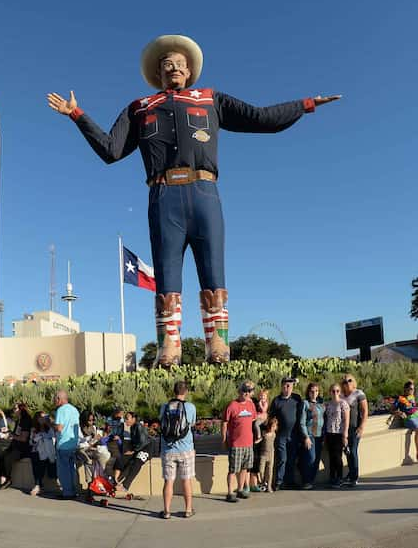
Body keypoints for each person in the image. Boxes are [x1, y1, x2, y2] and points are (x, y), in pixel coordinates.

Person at [47, 35, 339, 367]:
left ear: (190, 71)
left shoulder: (211, 98)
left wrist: (304, 104)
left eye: (180, 63)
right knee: (167, 273)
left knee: (213, 269)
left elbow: (261, 119)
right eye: (167, 63)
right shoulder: (139, 107)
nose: (174, 67)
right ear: (158, 72)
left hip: (205, 192)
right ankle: (168, 345)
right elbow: (111, 150)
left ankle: (218, 342)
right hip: (162, 195)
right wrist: (77, 114)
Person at [159, 380, 197, 519]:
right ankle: (187, 510)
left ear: (174, 391)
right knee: (186, 480)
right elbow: (191, 424)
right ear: (185, 392)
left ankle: (167, 511)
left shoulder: (164, 407)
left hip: (168, 450)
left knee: (168, 481)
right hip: (186, 449)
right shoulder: (190, 407)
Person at [221, 381, 256, 502]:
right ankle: (230, 492)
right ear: (239, 391)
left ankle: (240, 489)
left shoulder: (251, 405)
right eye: (244, 390)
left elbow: (253, 420)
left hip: (248, 443)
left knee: (244, 468)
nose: (246, 393)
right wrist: (224, 439)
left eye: (249, 391)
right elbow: (224, 423)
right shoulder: (232, 405)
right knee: (233, 469)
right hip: (236, 443)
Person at [269, 377, 304, 490]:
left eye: (290, 385)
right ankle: (279, 482)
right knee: (282, 459)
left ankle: (290, 481)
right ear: (282, 386)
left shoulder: (297, 398)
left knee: (292, 459)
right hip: (281, 435)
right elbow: (272, 417)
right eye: (285, 385)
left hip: (294, 435)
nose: (287, 388)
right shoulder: (276, 401)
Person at [112, 412, 152, 495]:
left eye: (127, 418)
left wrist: (133, 451)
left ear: (133, 419)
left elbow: (143, 442)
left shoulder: (138, 426)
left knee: (137, 462)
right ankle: (116, 480)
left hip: (146, 449)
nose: (125, 420)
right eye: (125, 418)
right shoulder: (132, 427)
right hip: (137, 448)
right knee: (122, 458)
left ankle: (125, 485)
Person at [0, 403, 33, 490]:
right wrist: (9, 432)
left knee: (8, 458)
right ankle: (3, 478)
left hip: (23, 448)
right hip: (16, 445)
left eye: (15, 409)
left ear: (21, 410)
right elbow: (16, 434)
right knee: (1, 455)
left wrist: (11, 435)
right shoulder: (19, 420)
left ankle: (8, 479)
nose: (14, 411)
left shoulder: (26, 420)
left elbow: (24, 438)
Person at [341, 374, 368, 487]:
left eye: (349, 380)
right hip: (343, 429)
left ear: (353, 381)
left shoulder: (358, 393)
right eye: (344, 381)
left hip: (355, 428)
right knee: (347, 451)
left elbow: (365, 411)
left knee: (352, 450)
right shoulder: (341, 395)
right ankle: (351, 473)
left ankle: (354, 477)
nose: (347, 383)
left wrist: (361, 426)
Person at [53, 390, 80, 499]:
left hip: (63, 444)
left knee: (63, 470)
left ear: (59, 399)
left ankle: (67, 492)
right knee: (71, 469)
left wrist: (50, 423)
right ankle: (73, 491)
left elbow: (59, 428)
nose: (55, 401)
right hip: (73, 444)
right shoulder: (74, 409)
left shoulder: (61, 410)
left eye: (55, 398)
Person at [323, 383, 350, 488]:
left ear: (340, 392)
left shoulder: (343, 404)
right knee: (331, 457)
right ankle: (332, 477)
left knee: (338, 457)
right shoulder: (328, 404)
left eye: (337, 391)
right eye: (333, 391)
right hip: (330, 433)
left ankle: (339, 478)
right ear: (330, 392)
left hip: (339, 433)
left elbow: (346, 419)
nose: (335, 393)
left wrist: (345, 434)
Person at [301, 382, 325, 489]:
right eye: (312, 391)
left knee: (316, 459)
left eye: (316, 391)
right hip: (310, 435)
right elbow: (302, 422)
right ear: (308, 392)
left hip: (320, 435)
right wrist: (305, 436)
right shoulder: (305, 404)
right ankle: (306, 481)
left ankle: (311, 481)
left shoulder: (321, 404)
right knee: (311, 458)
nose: (314, 393)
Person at [77, 410, 109, 484]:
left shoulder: (93, 427)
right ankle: (90, 483)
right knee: (88, 461)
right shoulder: (78, 428)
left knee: (103, 456)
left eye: (92, 420)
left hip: (90, 449)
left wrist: (98, 439)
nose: (91, 422)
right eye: (89, 420)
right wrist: (92, 439)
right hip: (80, 449)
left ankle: (100, 482)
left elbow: (93, 443)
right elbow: (79, 443)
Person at [29, 411, 56, 496]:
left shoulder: (49, 428)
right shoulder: (33, 429)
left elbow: (53, 436)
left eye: (44, 417)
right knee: (36, 459)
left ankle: (38, 485)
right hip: (37, 450)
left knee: (43, 461)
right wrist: (37, 438)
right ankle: (37, 485)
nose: (43, 419)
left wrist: (47, 425)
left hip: (47, 451)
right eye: (41, 417)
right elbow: (31, 442)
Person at [249, 389, 270, 491]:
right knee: (252, 460)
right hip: (251, 437)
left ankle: (259, 482)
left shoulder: (262, 404)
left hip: (261, 438)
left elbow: (265, 416)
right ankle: (251, 484)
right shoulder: (252, 403)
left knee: (259, 460)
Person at [394, 380, 418, 462]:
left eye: (413, 389)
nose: (412, 391)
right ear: (405, 389)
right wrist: (399, 412)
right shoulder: (400, 398)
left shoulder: (412, 397)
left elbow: (413, 406)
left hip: (416, 416)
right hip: (409, 418)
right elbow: (392, 409)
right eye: (411, 389)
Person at [258, 417, 278, 492]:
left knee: (270, 471)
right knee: (261, 470)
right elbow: (260, 439)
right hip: (263, 454)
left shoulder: (274, 434)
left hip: (271, 453)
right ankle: (263, 482)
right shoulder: (264, 433)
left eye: (275, 426)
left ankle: (269, 486)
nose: (274, 428)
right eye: (273, 426)